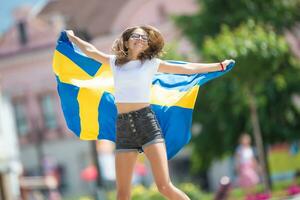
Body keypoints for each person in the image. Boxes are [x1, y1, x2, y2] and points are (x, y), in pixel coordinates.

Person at [66, 25, 233, 200]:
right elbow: (91, 51)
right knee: (122, 193)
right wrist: (73, 39)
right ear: (126, 41)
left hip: (146, 124)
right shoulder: (115, 63)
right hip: (124, 128)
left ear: (147, 45)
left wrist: (219, 66)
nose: (140, 40)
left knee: (164, 186)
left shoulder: (151, 64)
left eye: (144, 38)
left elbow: (187, 69)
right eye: (136, 36)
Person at [235, 133, 260, 198]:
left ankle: (252, 196)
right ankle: (248, 196)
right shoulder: (239, 149)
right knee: (246, 183)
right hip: (243, 167)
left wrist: (257, 166)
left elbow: (252, 158)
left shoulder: (249, 149)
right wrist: (237, 168)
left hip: (250, 167)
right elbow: (237, 159)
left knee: (253, 181)